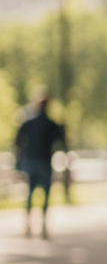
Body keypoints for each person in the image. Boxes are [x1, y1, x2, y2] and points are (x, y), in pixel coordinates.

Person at [14, 87, 66, 240]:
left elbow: (17, 141)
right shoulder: (51, 124)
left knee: (30, 194)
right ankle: (41, 226)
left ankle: (29, 225)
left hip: (31, 162)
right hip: (43, 162)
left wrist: (20, 159)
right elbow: (61, 142)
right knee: (44, 195)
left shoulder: (28, 123)